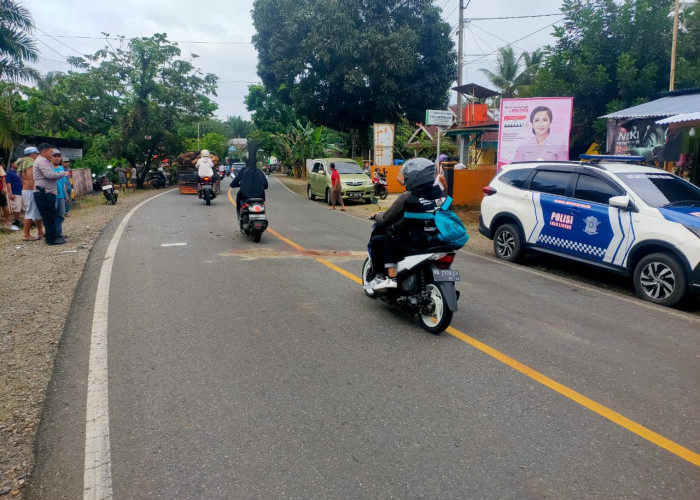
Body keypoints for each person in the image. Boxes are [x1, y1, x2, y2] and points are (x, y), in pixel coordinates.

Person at [365, 157, 445, 291]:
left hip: (413, 240)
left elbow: (387, 218)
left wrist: (376, 216)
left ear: (414, 177)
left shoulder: (408, 196)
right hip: (436, 237)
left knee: (382, 238)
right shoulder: (440, 194)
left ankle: (389, 278)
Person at [32, 143, 70, 245]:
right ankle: (51, 239)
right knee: (49, 217)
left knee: (51, 216)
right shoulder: (42, 161)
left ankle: (54, 236)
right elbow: (49, 175)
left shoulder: (43, 161)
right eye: (51, 152)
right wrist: (63, 173)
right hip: (43, 193)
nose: (52, 154)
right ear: (45, 151)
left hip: (46, 192)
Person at [18, 147, 45, 241]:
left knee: (36, 211)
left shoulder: (22, 163)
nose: (37, 156)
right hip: (30, 190)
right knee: (30, 212)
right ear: (33, 154)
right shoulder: (30, 163)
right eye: (37, 154)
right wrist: (36, 189)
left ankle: (40, 232)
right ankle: (26, 234)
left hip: (26, 189)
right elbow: (31, 178)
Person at [51, 149, 68, 239]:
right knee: (52, 215)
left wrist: (67, 196)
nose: (57, 159)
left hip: (61, 195)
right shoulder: (48, 168)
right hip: (52, 195)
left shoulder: (61, 168)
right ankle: (52, 234)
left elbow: (63, 183)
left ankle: (58, 233)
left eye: (59, 157)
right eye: (55, 156)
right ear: (51, 157)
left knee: (61, 215)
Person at [6, 158, 24, 227]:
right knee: (16, 208)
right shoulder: (9, 173)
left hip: (22, 192)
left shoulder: (20, 172)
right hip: (15, 192)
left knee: (24, 207)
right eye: (16, 163)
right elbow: (8, 183)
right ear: (12, 164)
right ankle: (17, 221)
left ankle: (28, 221)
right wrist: (10, 193)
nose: (18, 164)